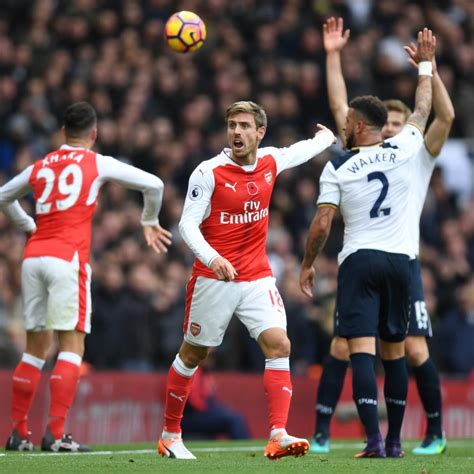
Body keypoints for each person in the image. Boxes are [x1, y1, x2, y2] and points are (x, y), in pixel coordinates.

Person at [157, 100, 336, 460]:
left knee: (279, 344)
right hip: (213, 277)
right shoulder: (208, 172)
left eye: (243, 126)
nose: (236, 132)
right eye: (232, 125)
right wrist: (212, 257)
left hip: (257, 276)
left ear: (259, 132)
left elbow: (297, 152)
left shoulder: (270, 161)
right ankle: (169, 435)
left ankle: (278, 434)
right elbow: (187, 225)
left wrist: (327, 138)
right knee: (195, 354)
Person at [308, 17, 454, 456]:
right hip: (394, 260)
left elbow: (439, 114)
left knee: (407, 349)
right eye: (387, 120)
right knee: (361, 345)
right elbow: (345, 110)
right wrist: (334, 56)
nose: (393, 125)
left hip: (394, 258)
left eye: (397, 119)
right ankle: (337, 433)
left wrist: (430, 68)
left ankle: (430, 432)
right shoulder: (397, 146)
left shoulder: (419, 152)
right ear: (378, 124)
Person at [0, 101, 172, 452]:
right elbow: (153, 184)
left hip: (33, 259)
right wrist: (149, 221)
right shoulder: (97, 162)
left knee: (35, 350)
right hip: (67, 260)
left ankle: (18, 433)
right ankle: (58, 435)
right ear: (94, 134)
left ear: (62, 133)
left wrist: (28, 225)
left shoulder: (41, 165)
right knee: (71, 346)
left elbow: (3, 196)